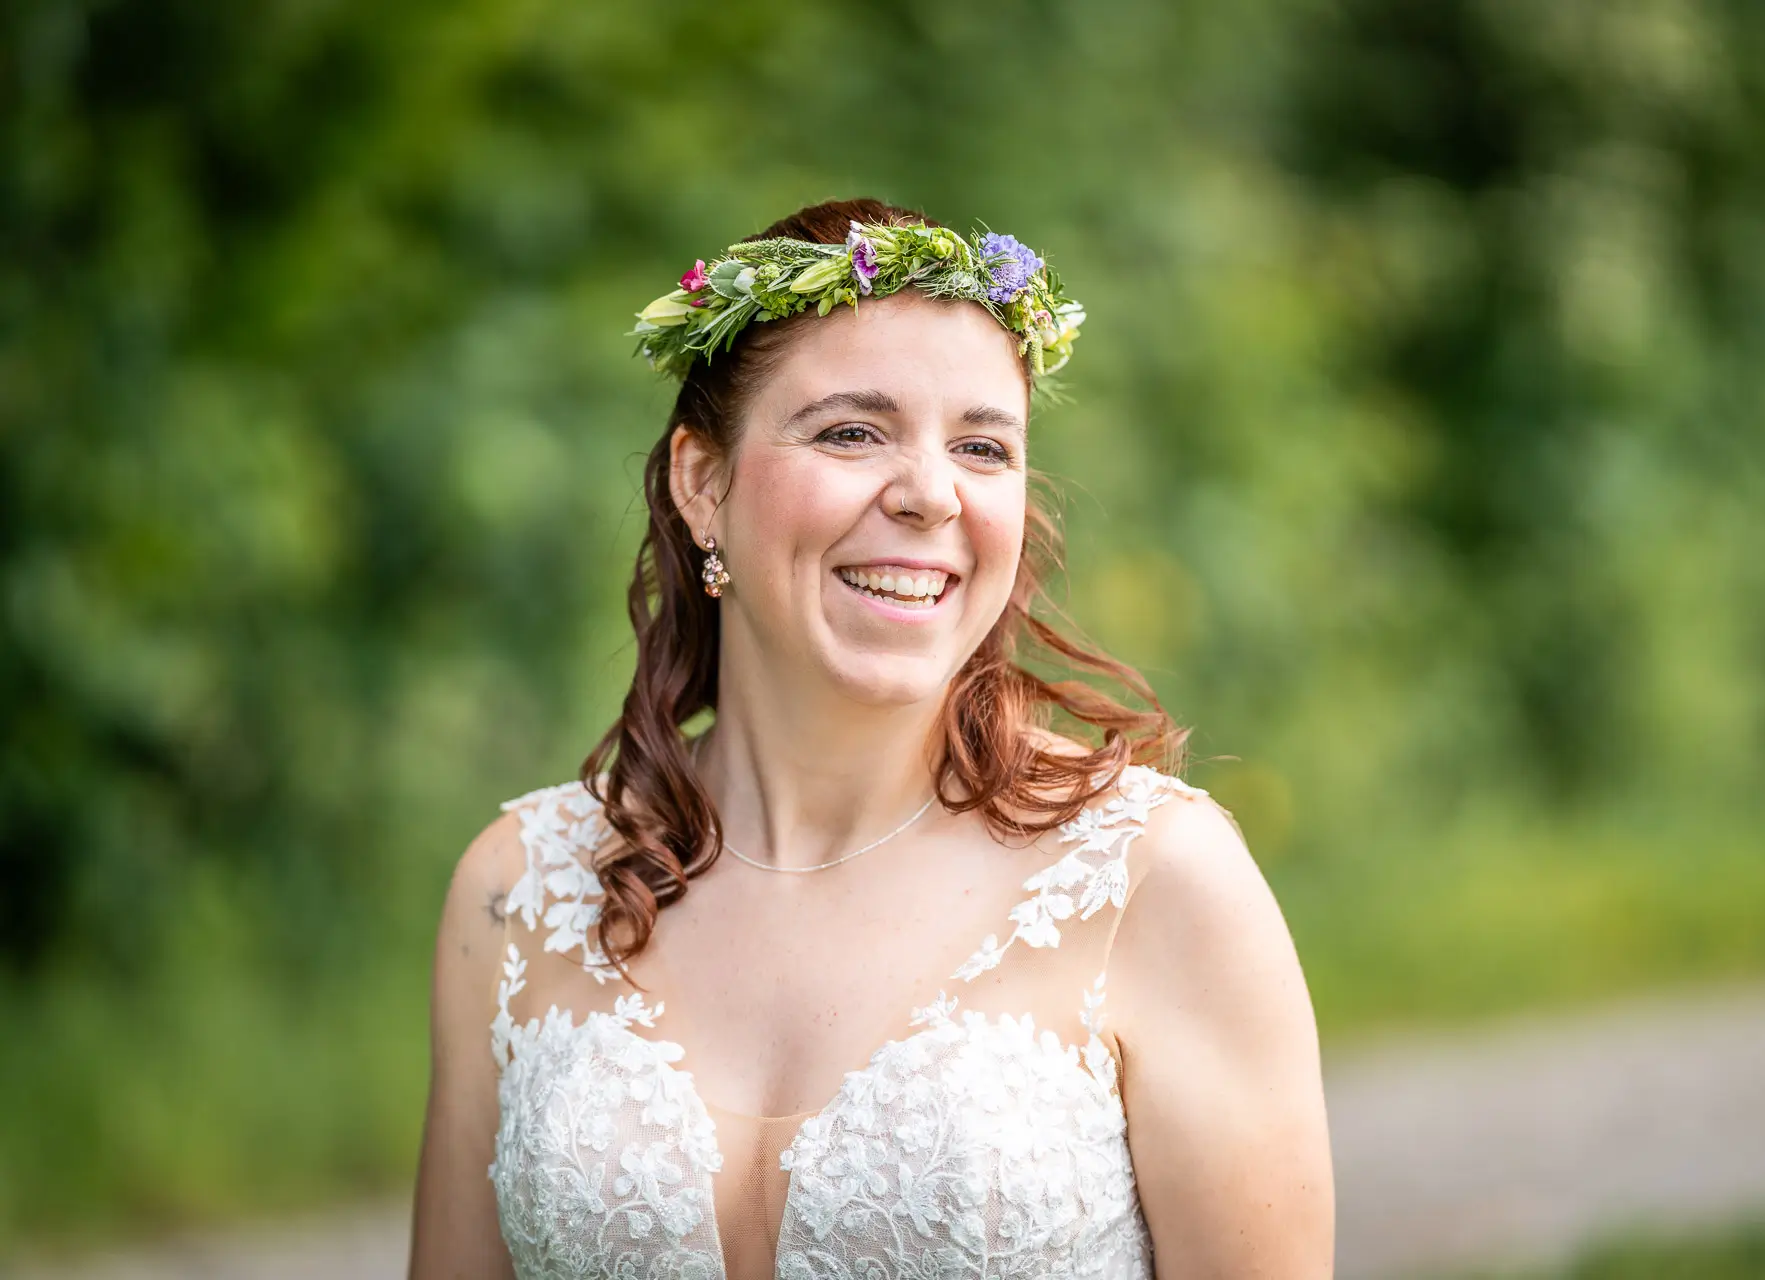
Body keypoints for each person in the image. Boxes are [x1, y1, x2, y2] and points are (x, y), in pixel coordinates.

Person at [408, 198, 1334, 1279]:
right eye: (852, 432)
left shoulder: (1154, 880)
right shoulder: (519, 891)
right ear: (702, 483)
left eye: (982, 446)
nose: (932, 495)